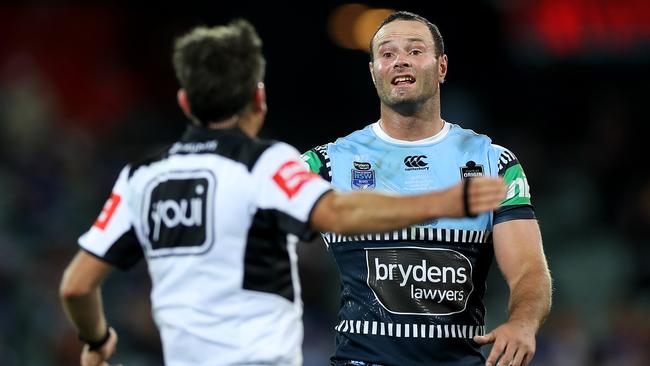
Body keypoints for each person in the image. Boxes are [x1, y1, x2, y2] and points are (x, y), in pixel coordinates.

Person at [59, 19, 506, 366]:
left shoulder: (143, 176)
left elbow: (76, 286)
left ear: (184, 103)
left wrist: (98, 340)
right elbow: (340, 213)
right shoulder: (267, 164)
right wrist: (443, 202)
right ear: (259, 98)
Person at [302, 11, 552, 366]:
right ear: (374, 71)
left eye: (415, 51)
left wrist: (523, 323)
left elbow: (529, 268)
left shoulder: (494, 163)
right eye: (387, 54)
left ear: (442, 67)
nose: (400, 59)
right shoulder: (325, 165)